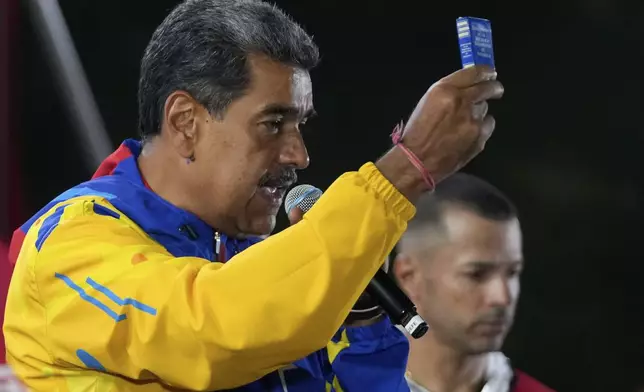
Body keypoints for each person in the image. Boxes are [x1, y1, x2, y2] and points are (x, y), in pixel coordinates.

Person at [3, 0, 504, 390]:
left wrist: (361, 319)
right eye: (272, 123)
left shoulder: (261, 268)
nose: (299, 154)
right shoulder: (70, 245)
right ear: (185, 124)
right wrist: (404, 170)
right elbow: (212, 331)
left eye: (301, 125)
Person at [393, 173, 554, 392]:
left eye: (512, 272)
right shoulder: (345, 384)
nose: (502, 298)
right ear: (409, 277)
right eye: (476, 274)